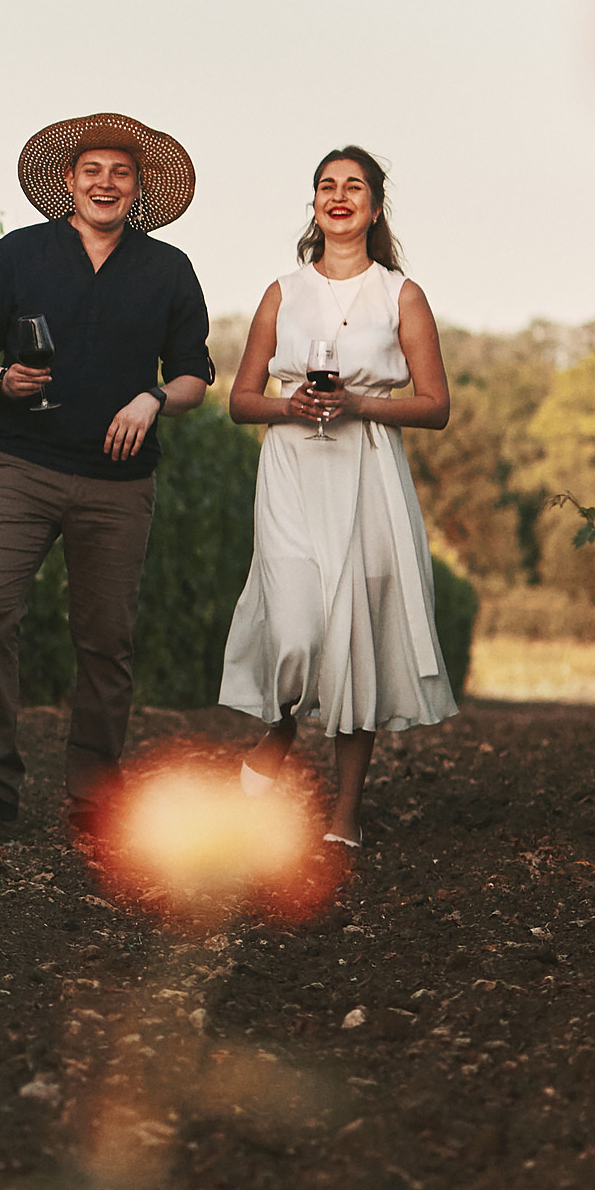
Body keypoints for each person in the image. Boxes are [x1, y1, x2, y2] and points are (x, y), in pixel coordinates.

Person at [0, 113, 215, 825]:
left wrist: (153, 398)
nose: (105, 182)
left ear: (139, 188)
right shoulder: (20, 254)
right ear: (68, 181)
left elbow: (193, 377)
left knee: (105, 638)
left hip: (119, 481)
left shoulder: (168, 269)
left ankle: (94, 791)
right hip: (20, 462)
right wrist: (1, 381)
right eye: (92, 170)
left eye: (121, 172)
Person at [220, 145, 457, 848]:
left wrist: (359, 404)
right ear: (315, 204)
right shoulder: (282, 292)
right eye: (327, 185)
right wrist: (285, 408)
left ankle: (345, 812)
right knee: (296, 626)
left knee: (356, 634)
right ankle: (284, 725)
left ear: (375, 207)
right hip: (293, 469)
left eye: (354, 186)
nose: (339, 195)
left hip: (369, 472)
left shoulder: (401, 294)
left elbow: (436, 405)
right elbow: (238, 399)